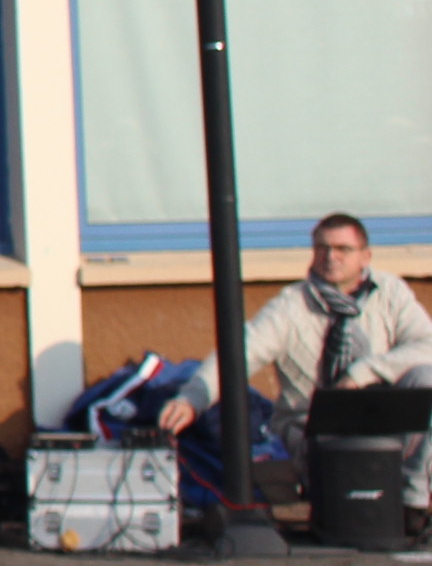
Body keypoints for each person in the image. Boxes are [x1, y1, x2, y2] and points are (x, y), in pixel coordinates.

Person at [159, 213, 432, 532]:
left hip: (383, 416)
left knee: (426, 379)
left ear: (365, 256)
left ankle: (412, 504)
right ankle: (334, 505)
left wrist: (364, 373)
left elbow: (426, 344)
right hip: (313, 425)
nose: (331, 257)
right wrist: (192, 399)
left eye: (343, 249)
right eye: (322, 248)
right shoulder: (291, 305)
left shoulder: (391, 292)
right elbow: (239, 355)